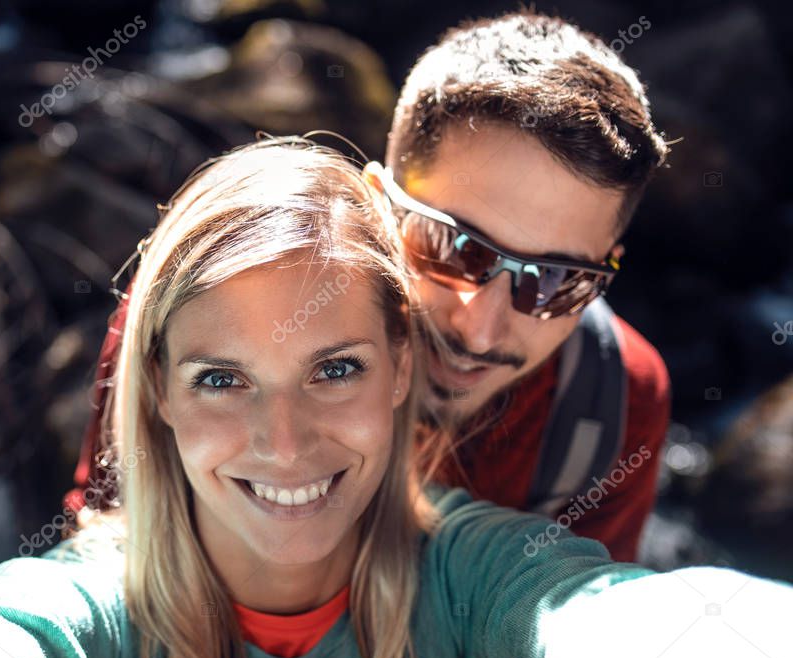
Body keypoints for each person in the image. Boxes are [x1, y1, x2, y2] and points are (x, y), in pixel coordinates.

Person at [0, 139, 790, 658]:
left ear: (403, 364)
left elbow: (634, 627)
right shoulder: (84, 611)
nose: (285, 437)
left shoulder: (485, 579)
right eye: (221, 377)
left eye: (334, 367)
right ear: (155, 389)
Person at [68, 11, 670, 562]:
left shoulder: (612, 404)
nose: (479, 329)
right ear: (378, 204)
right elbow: (105, 551)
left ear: (607, 268)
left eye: (557, 282)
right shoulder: (202, 318)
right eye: (452, 246)